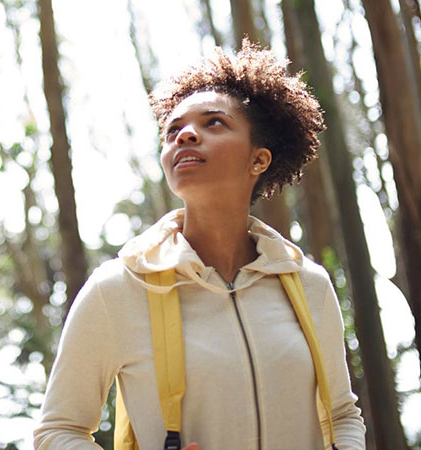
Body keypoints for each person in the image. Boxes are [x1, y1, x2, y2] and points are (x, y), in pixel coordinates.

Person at [33, 41, 366, 450]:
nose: (185, 135)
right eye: (173, 130)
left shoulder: (308, 285)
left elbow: (341, 415)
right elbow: (58, 430)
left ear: (258, 160)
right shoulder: (117, 288)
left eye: (214, 123)